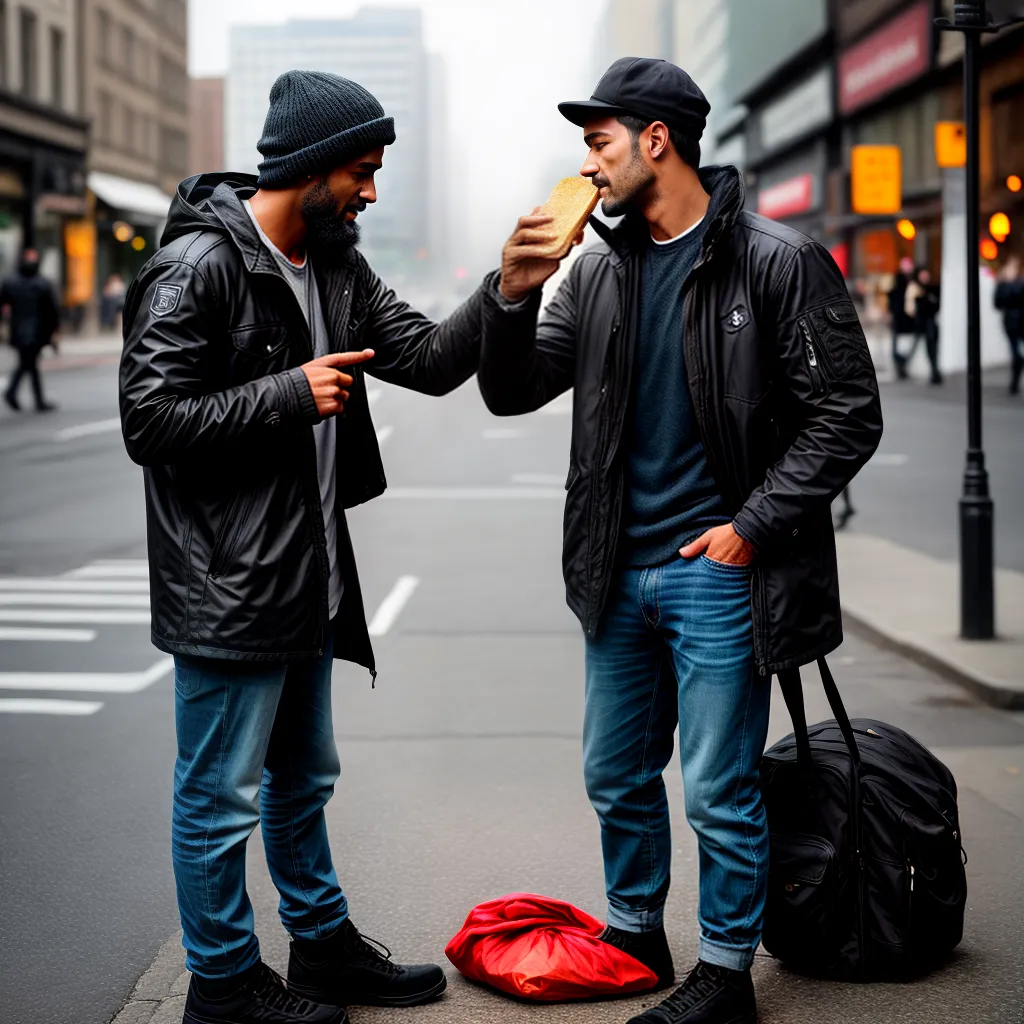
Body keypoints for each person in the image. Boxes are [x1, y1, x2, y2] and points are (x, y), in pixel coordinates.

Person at [477, 57, 882, 1024]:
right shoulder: (600, 269)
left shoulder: (775, 261)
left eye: (599, 137)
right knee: (615, 772)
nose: (589, 157)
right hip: (615, 572)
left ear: (656, 139)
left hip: (713, 574)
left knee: (717, 785)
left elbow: (849, 414)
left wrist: (748, 529)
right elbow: (512, 388)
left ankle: (727, 972)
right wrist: (513, 290)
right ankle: (636, 933)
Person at [120, 70, 485, 1024]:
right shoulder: (199, 266)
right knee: (218, 798)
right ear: (315, 166)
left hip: (308, 582)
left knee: (302, 780)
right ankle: (225, 985)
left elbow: (433, 361)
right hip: (231, 589)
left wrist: (510, 287)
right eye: (362, 170)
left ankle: (320, 950)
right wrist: (288, 395)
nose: (371, 190)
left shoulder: (336, 268)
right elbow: (150, 421)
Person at [1, 247, 60, 412]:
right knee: (29, 364)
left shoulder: (11, 282)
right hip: (35, 332)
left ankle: (26, 397)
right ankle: (17, 394)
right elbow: (53, 310)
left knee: (29, 364)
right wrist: (54, 331)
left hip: (20, 331)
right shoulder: (42, 283)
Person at [903, 267, 942, 385]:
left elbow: (935, 306)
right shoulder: (915, 288)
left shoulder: (931, 288)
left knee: (931, 348)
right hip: (921, 323)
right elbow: (912, 307)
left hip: (930, 323)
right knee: (917, 346)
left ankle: (934, 371)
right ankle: (904, 364)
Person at [994, 256, 1024, 395]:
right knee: (1016, 354)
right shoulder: (1003, 286)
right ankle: (1014, 382)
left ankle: (1014, 382)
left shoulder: (1019, 283)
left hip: (1019, 321)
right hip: (1011, 323)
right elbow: (997, 304)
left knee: (1017, 353)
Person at [887, 256, 916, 379]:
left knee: (909, 344)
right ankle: (900, 367)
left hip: (908, 319)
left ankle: (902, 367)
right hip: (899, 318)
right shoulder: (898, 280)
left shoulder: (913, 280)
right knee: (897, 346)